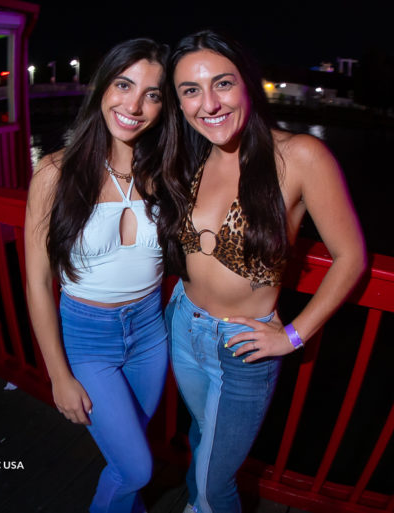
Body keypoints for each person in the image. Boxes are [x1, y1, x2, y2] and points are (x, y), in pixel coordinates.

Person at [160, 30, 367, 513]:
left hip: (243, 347)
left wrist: (293, 336)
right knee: (200, 434)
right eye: (190, 90)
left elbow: (351, 257)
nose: (208, 103)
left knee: (216, 482)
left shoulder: (298, 156)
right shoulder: (191, 156)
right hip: (183, 325)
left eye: (222, 84)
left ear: (248, 83)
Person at [24, 38, 176, 513]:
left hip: (151, 333)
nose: (134, 105)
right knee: (136, 469)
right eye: (124, 85)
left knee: (129, 456)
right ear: (101, 87)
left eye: (152, 94)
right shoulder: (55, 171)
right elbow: (36, 283)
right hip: (88, 338)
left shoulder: (166, 171)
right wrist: (58, 375)